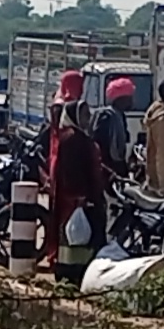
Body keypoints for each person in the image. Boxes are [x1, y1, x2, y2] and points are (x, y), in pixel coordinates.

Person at [51, 99, 107, 285]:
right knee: (76, 236)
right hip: (76, 198)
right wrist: (80, 197)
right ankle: (72, 273)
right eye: (84, 114)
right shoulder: (72, 139)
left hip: (83, 196)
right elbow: (70, 171)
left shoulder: (78, 137)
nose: (88, 118)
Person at [90, 77, 135, 177]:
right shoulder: (107, 117)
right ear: (121, 99)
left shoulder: (120, 116)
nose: (132, 101)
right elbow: (102, 146)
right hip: (109, 169)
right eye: (129, 98)